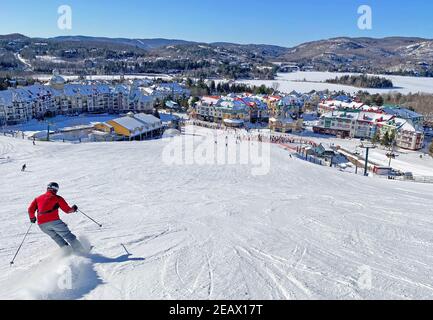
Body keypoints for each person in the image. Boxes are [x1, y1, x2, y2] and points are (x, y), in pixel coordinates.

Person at [28, 182, 85, 253]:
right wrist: (73, 209)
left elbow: (30, 209)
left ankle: (68, 252)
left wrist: (32, 218)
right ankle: (81, 251)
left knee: (56, 237)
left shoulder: (37, 198)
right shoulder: (57, 198)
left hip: (42, 225)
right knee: (67, 235)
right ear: (56, 189)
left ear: (48, 188)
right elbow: (67, 210)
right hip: (54, 222)